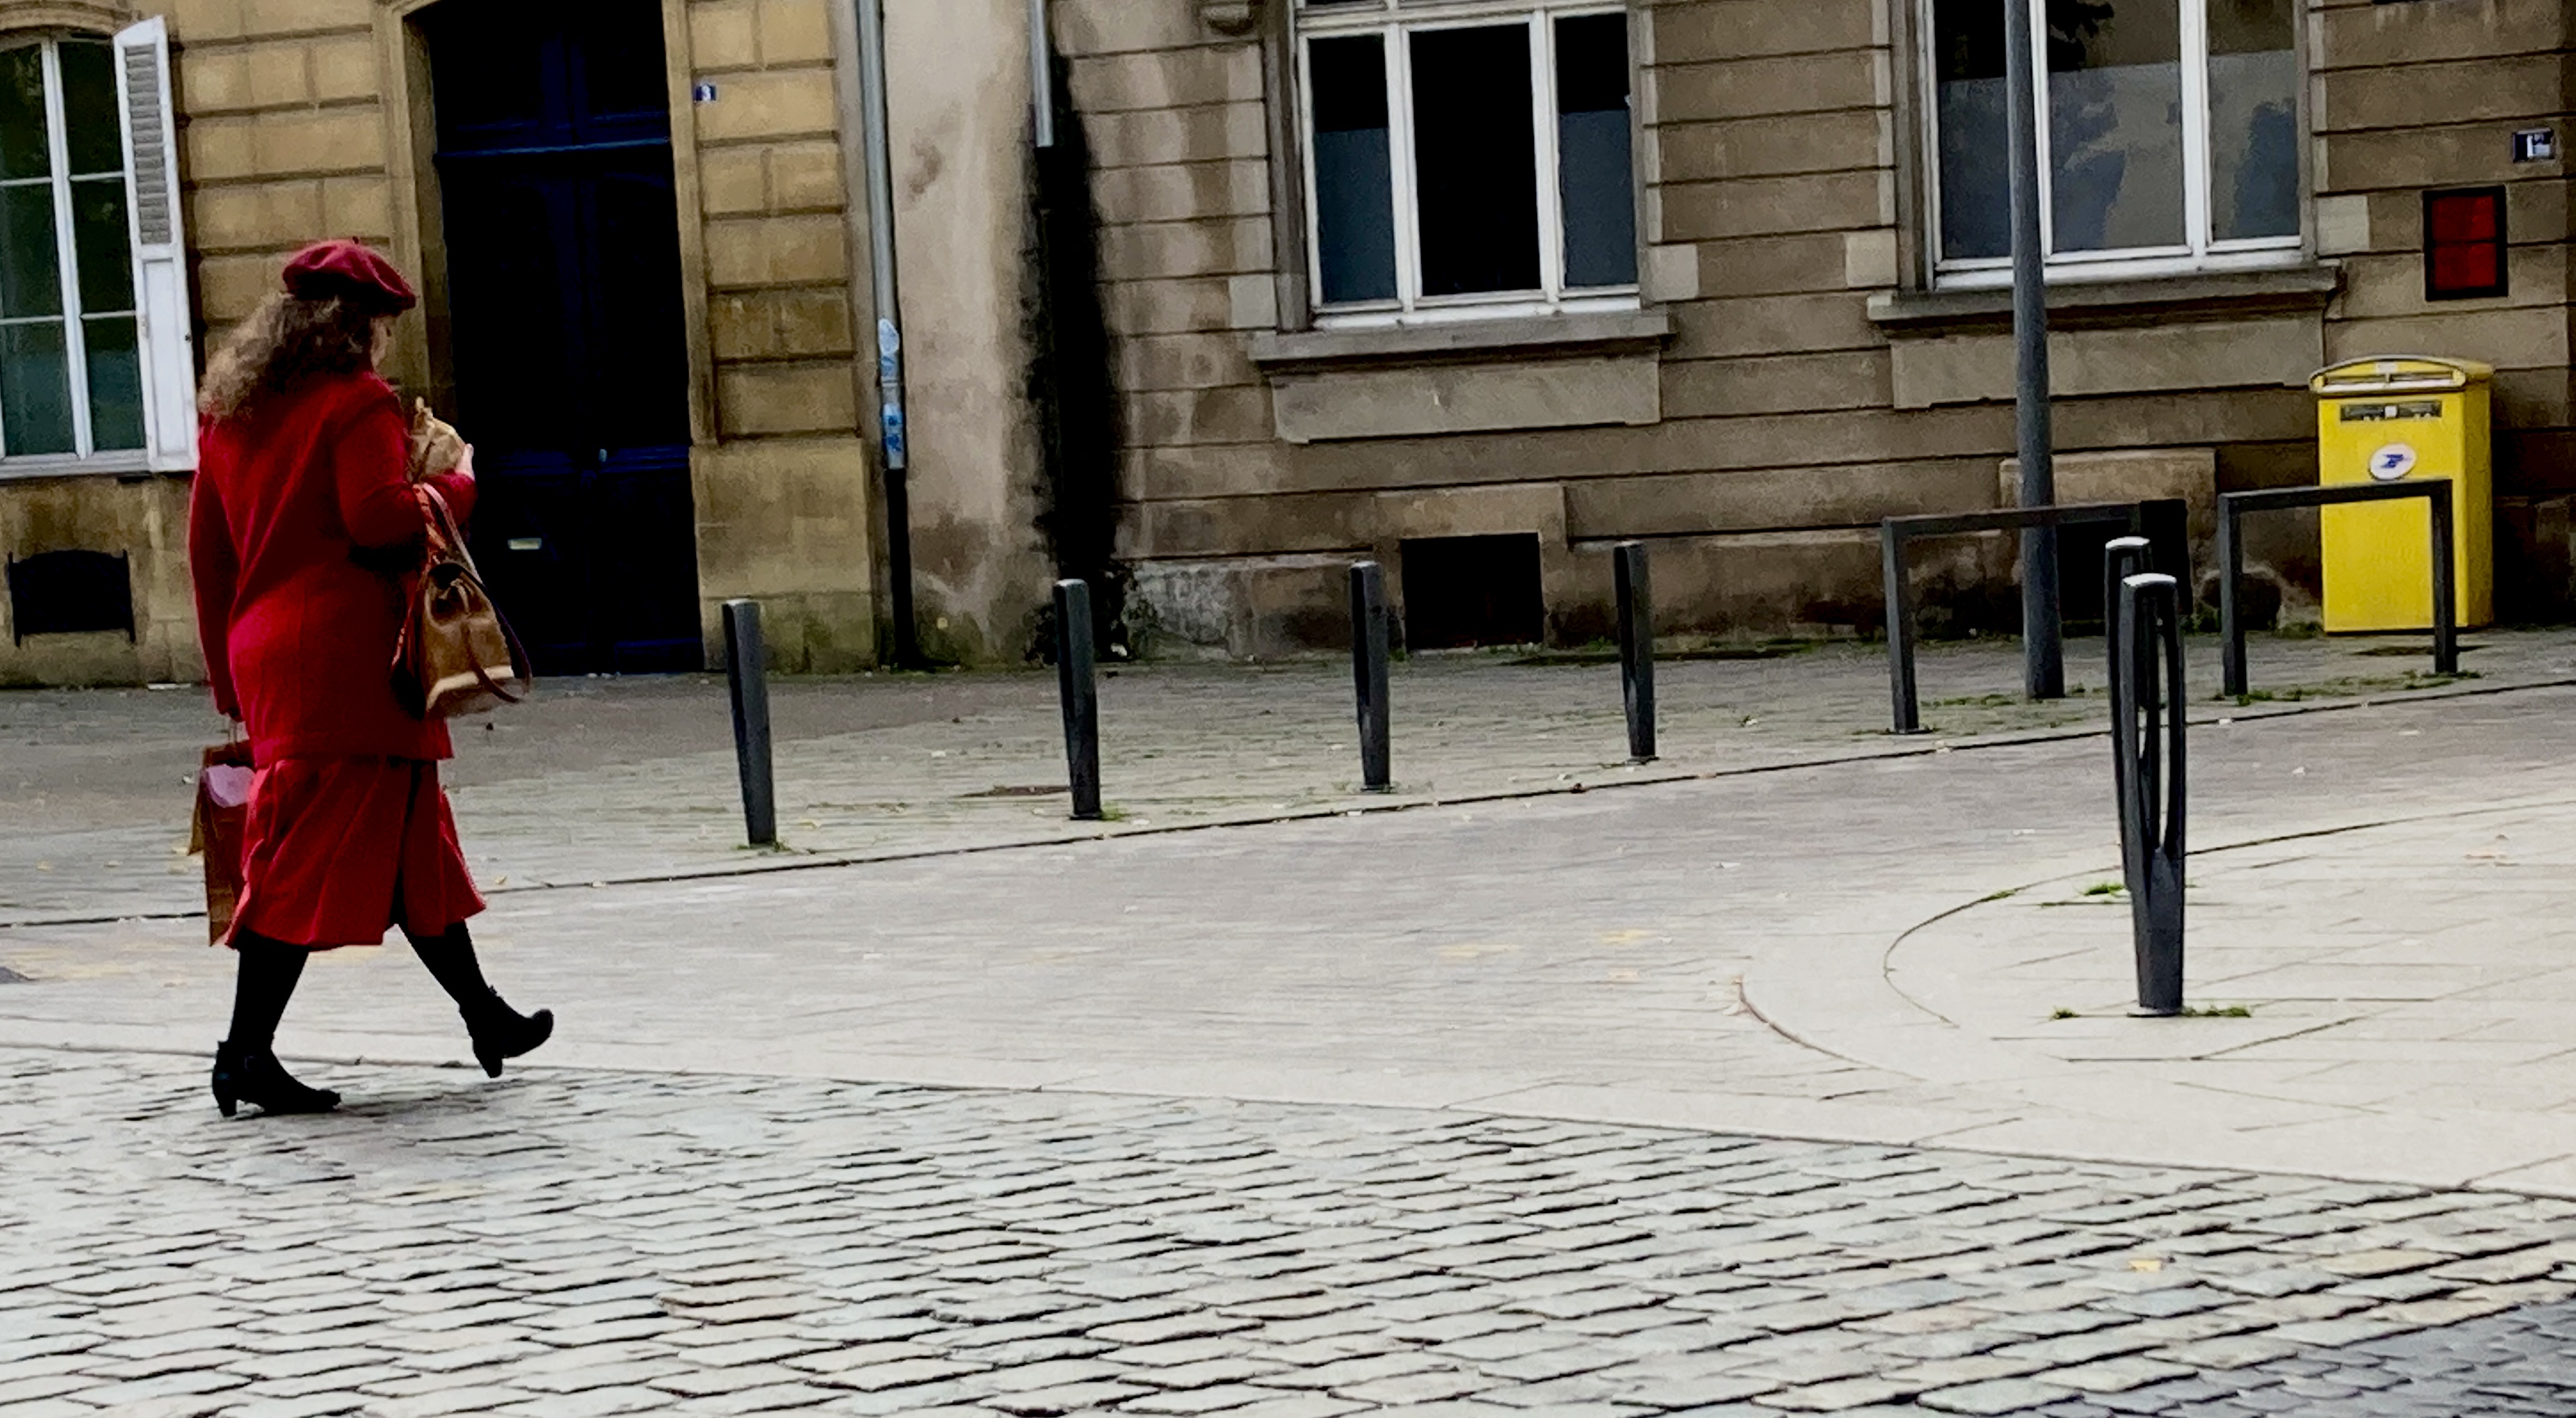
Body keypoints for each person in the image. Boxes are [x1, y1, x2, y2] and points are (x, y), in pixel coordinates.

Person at [188, 238, 552, 1116]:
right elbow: (380, 522)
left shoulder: (231, 414)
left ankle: (485, 1016)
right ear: (358, 328)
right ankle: (243, 1054)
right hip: (347, 659)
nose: (386, 342)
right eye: (384, 326)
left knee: (415, 851)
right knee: (296, 865)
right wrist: (454, 484)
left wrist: (226, 679)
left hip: (267, 650)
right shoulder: (357, 403)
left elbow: (208, 556)